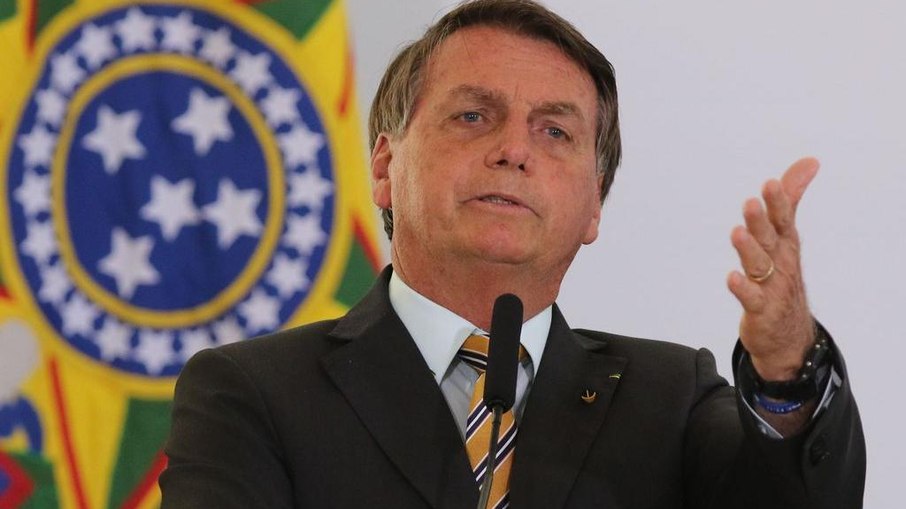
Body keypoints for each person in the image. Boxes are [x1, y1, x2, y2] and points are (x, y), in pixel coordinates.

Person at [159, 1, 865, 507]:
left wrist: (786, 368)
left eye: (555, 132)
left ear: (595, 204)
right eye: (473, 115)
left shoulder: (670, 396)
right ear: (384, 166)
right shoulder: (250, 393)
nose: (514, 150)